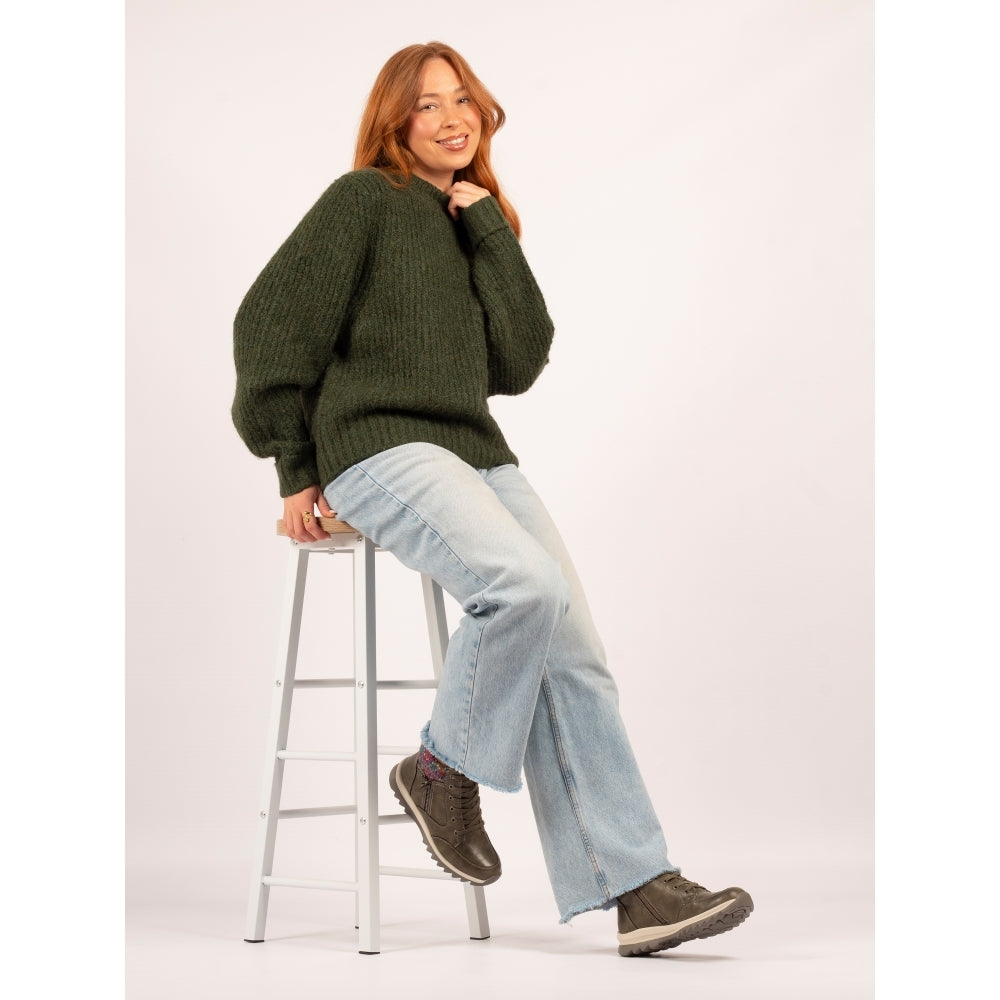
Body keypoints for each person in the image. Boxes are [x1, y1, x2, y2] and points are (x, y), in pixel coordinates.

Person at [232, 41, 753, 957]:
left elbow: (519, 360)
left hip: (475, 452)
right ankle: (441, 770)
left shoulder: (476, 221)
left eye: (463, 100)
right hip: (379, 446)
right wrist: (293, 465)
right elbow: (269, 322)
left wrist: (488, 231)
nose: (451, 118)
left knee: (576, 651)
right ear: (394, 122)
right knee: (523, 584)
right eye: (428, 104)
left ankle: (635, 888)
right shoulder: (365, 200)